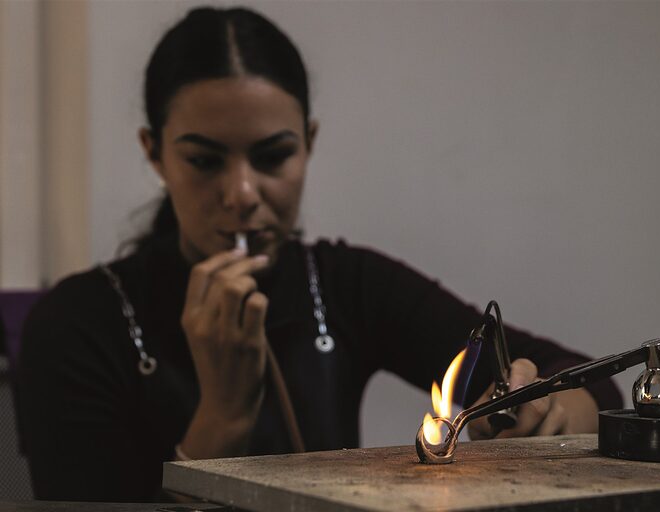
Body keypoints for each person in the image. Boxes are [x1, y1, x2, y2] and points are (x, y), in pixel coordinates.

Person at [18, 6, 621, 502]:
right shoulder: (77, 325)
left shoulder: (341, 283)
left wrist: (548, 409)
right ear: (155, 153)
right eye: (204, 161)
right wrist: (224, 414)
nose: (242, 195)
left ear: (308, 142)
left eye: (273, 156)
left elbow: (589, 381)